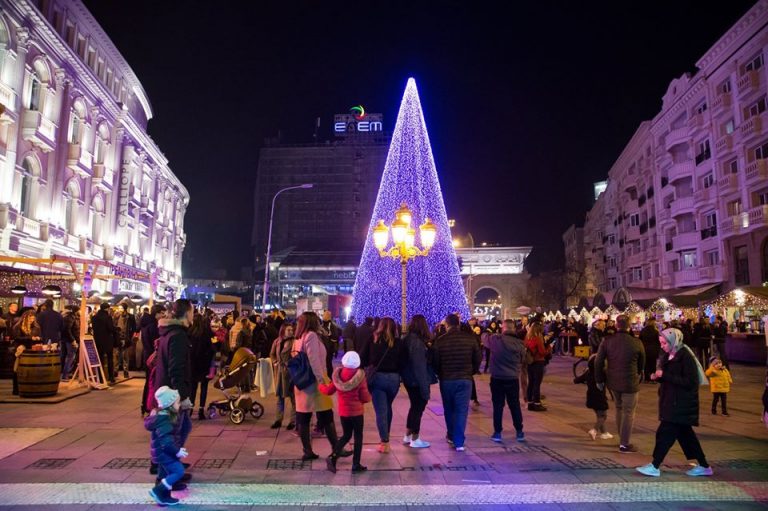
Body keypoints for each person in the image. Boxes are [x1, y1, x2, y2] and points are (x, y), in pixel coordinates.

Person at [636, 328, 712, 477]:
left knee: (665, 434)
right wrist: (658, 377)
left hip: (680, 404)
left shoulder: (685, 356)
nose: (662, 346)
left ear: (673, 341)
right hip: (671, 401)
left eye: (664, 343)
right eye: (661, 343)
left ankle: (655, 465)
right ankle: (704, 466)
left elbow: (690, 382)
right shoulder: (669, 354)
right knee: (687, 436)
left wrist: (665, 375)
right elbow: (670, 377)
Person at [292, 311, 340, 461]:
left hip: (302, 382)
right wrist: (322, 380)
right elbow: (314, 361)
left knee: (304, 417)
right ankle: (336, 448)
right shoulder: (311, 336)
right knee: (327, 414)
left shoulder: (298, 337)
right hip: (314, 383)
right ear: (313, 322)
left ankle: (308, 451)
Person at [594, 314, 645, 453]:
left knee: (619, 408)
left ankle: (622, 439)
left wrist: (599, 379)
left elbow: (598, 361)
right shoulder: (636, 342)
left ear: (616, 325)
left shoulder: (607, 341)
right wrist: (639, 374)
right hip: (630, 381)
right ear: (629, 326)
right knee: (628, 412)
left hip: (613, 381)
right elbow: (642, 363)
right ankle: (624, 443)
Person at [153, 299, 194, 462]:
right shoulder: (178, 336)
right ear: (187, 313)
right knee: (176, 430)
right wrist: (182, 396)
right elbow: (176, 369)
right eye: (192, 312)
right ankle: (168, 467)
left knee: (182, 427)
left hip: (166, 389)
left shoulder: (169, 332)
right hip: (172, 393)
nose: (193, 315)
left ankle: (163, 463)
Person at [432, 313, 481, 452]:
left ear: (446, 325)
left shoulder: (440, 340)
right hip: (465, 379)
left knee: (449, 408)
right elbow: (477, 358)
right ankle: (459, 441)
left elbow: (435, 361)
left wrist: (440, 373)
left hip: (447, 380)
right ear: (458, 324)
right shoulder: (470, 339)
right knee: (461, 410)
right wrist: (471, 371)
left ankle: (451, 435)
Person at [359, 317, 407, 453]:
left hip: (378, 378)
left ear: (380, 326)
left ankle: (384, 442)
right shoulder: (398, 342)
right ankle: (386, 435)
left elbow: (362, 358)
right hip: (394, 379)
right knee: (387, 407)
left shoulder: (373, 339)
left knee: (381, 410)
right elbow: (404, 361)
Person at [320, 351, 371, 473]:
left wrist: (320, 386)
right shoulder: (360, 377)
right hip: (357, 414)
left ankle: (333, 457)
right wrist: (369, 396)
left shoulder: (338, 375)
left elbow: (328, 391)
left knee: (346, 435)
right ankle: (356, 465)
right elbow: (365, 398)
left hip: (344, 413)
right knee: (358, 437)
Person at [483, 318, 526, 442]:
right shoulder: (519, 343)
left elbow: (484, 337)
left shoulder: (495, 340)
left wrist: (490, 330)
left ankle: (497, 432)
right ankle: (519, 431)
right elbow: (523, 359)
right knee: (515, 405)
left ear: (503, 328)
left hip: (497, 378)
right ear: (514, 329)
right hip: (512, 378)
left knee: (498, 406)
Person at [145, 385, 188, 506]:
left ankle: (164, 497)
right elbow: (167, 443)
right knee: (178, 471)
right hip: (165, 454)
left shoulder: (163, 416)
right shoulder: (165, 420)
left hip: (161, 453)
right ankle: (158, 491)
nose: (179, 405)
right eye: (177, 403)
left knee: (166, 474)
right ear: (170, 405)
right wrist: (177, 451)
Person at [400, 314, 434, 448]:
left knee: (414, 407)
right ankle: (415, 438)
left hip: (408, 378)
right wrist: (425, 389)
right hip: (416, 380)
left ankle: (408, 435)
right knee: (418, 408)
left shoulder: (407, 338)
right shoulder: (418, 343)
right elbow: (419, 367)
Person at [573, 354, 612, 441]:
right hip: (600, 397)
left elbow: (576, 380)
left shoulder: (588, 372)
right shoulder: (602, 374)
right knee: (603, 416)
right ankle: (594, 430)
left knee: (599, 415)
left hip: (590, 397)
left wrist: (583, 378)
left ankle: (604, 433)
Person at [269, 323, 296, 430]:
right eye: (288, 330)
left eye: (291, 330)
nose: (291, 332)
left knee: (293, 397)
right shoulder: (277, 341)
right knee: (280, 397)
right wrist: (275, 362)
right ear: (283, 330)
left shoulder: (294, 341)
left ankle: (293, 421)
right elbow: (272, 354)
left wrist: (291, 363)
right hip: (280, 372)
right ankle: (278, 420)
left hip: (290, 372)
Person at [188, 313, 215, 420]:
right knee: (204, 387)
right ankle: (201, 410)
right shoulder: (207, 333)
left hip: (192, 364)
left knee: (192, 387)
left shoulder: (189, 332)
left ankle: (190, 408)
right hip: (204, 363)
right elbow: (213, 347)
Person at [10, 310, 41, 395]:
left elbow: (39, 337)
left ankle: (30, 388)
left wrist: (38, 339)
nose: (32, 320)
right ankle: (16, 389)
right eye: (30, 319)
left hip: (32, 351)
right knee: (17, 369)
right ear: (25, 318)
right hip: (20, 350)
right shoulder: (18, 326)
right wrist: (30, 338)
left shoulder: (36, 327)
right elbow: (16, 338)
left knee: (31, 371)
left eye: (33, 319)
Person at [141, 305, 164, 415]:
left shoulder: (146, 324)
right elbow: (155, 343)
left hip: (147, 356)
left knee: (148, 381)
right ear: (157, 313)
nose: (163, 315)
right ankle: (148, 405)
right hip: (153, 358)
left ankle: (145, 405)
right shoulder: (153, 326)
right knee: (152, 382)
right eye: (162, 313)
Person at [525, 322, 550, 412]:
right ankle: (537, 403)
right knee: (537, 384)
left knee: (531, 383)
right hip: (538, 362)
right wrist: (549, 348)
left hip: (530, 362)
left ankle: (530, 403)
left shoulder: (527, 338)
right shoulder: (537, 339)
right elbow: (542, 352)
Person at [91, 303, 117, 384]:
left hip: (98, 341)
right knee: (110, 359)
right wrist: (115, 329)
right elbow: (110, 328)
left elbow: (93, 328)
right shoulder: (108, 317)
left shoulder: (94, 317)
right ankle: (111, 377)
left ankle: (100, 377)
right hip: (107, 341)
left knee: (100, 359)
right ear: (107, 309)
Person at [116, 303, 137, 378]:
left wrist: (131, 336)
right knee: (117, 355)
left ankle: (126, 371)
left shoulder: (130, 317)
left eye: (121, 308)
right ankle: (115, 371)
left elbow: (134, 327)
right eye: (119, 308)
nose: (119, 309)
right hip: (118, 337)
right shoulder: (117, 316)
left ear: (125, 309)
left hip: (126, 337)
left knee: (125, 355)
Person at [61, 306, 80, 379]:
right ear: (76, 311)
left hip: (65, 340)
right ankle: (65, 375)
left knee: (65, 356)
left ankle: (63, 374)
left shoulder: (69, 317)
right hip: (70, 341)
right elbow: (67, 330)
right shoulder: (70, 318)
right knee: (70, 357)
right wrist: (73, 340)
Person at [639, 318, 660, 382]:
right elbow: (658, 341)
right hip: (653, 350)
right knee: (653, 364)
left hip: (645, 349)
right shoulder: (655, 331)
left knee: (646, 364)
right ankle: (652, 378)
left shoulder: (643, 330)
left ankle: (646, 378)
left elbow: (640, 340)